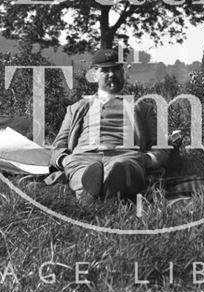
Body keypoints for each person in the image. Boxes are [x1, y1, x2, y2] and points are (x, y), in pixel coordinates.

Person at [50, 48, 170, 202]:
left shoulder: (143, 108)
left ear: (123, 72)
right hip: (84, 156)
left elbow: (161, 145)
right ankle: (94, 189)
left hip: (125, 155)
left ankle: (98, 192)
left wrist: (147, 159)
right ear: (94, 74)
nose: (112, 74)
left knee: (124, 166)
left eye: (116, 69)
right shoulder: (77, 108)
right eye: (105, 70)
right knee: (81, 170)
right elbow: (58, 144)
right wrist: (65, 160)